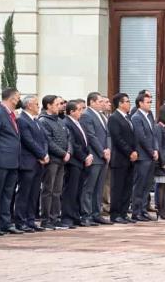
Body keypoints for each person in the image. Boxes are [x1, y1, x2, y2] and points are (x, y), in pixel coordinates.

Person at [0, 88, 23, 235]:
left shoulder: (11, 114)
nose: (19, 100)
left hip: (12, 161)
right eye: (18, 97)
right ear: (12, 98)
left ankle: (5, 222)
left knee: (8, 194)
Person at [16, 95, 49, 232]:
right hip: (28, 161)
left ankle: (30, 220)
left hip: (39, 162)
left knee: (34, 193)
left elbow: (44, 139)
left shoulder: (36, 121)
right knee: (24, 193)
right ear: (29, 105)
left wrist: (45, 154)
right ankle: (20, 220)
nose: (38, 107)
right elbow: (28, 141)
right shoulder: (22, 120)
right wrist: (41, 154)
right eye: (36, 104)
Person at [38, 95, 71, 230]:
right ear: (49, 106)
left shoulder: (60, 121)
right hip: (52, 160)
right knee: (48, 190)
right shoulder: (44, 121)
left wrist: (68, 151)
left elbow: (68, 138)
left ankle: (55, 217)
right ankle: (46, 219)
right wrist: (63, 153)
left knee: (57, 191)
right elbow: (48, 141)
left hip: (62, 161)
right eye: (57, 104)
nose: (61, 106)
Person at [80, 92, 111, 226]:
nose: (102, 103)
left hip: (104, 156)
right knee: (89, 188)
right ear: (91, 102)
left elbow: (107, 135)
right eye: (99, 101)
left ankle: (96, 213)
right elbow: (91, 136)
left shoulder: (102, 116)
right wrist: (102, 151)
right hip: (96, 156)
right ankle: (86, 214)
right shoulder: (87, 115)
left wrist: (108, 149)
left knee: (99, 188)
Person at [61, 99, 92, 228]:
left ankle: (75, 215)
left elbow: (85, 141)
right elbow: (73, 143)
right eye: (79, 110)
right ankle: (67, 217)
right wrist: (84, 157)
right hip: (74, 161)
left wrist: (89, 154)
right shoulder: (67, 123)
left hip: (82, 161)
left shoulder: (79, 123)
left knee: (78, 190)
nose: (81, 112)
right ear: (71, 111)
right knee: (70, 190)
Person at [107, 92, 137, 224]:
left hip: (130, 158)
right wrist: (129, 152)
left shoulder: (128, 117)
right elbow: (117, 138)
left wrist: (134, 151)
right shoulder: (114, 118)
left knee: (127, 187)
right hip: (120, 158)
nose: (129, 104)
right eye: (127, 101)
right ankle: (115, 214)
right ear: (120, 103)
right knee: (118, 187)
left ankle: (124, 213)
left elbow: (132, 136)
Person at [130, 91, 158, 222]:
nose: (150, 104)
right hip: (143, 156)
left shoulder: (149, 116)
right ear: (140, 103)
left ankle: (144, 210)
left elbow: (153, 134)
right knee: (140, 185)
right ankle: (136, 211)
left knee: (147, 185)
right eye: (148, 102)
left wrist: (156, 149)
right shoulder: (136, 117)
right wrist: (151, 151)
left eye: (151, 102)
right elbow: (141, 137)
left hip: (151, 155)